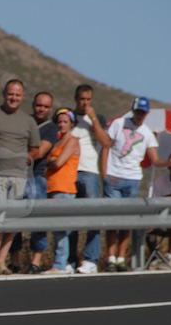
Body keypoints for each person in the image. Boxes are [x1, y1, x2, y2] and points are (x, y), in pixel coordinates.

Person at [0, 79, 39, 275]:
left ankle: (3, 261)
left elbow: (35, 148)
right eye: (11, 94)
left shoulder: (28, 121)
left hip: (19, 176)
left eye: (18, 95)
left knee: (12, 222)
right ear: (4, 94)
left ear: (23, 97)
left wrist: (25, 162)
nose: (14, 98)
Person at [101, 96, 168, 271]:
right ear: (133, 110)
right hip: (114, 176)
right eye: (138, 112)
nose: (140, 116)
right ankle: (110, 258)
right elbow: (106, 146)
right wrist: (104, 174)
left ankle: (121, 258)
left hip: (132, 179)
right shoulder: (118, 124)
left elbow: (155, 159)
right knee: (112, 220)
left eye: (143, 113)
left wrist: (169, 162)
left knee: (126, 221)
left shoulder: (147, 132)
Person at [9, 92, 57, 274]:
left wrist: (16, 159)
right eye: (39, 105)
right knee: (13, 220)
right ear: (33, 105)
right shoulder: (24, 122)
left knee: (38, 221)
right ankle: (14, 261)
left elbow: (40, 151)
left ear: (50, 109)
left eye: (45, 107)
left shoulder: (51, 128)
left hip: (36, 177)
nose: (41, 109)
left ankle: (36, 262)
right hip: (17, 177)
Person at [69, 84, 111, 274]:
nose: (85, 103)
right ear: (76, 99)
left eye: (88, 99)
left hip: (90, 172)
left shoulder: (98, 118)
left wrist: (92, 118)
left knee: (92, 217)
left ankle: (90, 259)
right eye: (82, 99)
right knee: (70, 219)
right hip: (69, 172)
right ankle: (69, 259)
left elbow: (105, 142)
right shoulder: (68, 117)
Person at [42, 109, 80, 274]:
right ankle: (61, 262)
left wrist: (50, 161)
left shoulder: (72, 141)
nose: (62, 125)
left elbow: (58, 163)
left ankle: (60, 264)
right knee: (57, 229)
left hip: (64, 188)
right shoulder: (57, 142)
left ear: (71, 123)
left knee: (61, 229)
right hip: (52, 187)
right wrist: (51, 160)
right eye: (60, 122)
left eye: (65, 122)